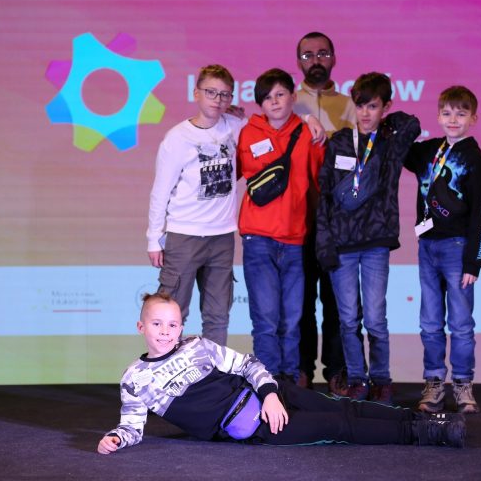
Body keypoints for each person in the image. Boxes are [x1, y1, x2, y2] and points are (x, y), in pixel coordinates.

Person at [97, 292, 466, 453]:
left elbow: (248, 364)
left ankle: (421, 420)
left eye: (173, 324)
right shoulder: (135, 380)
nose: (166, 332)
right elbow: (132, 426)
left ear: (181, 326)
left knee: (343, 407)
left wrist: (271, 394)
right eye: (157, 324)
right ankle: (425, 433)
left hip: (271, 394)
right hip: (254, 424)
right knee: (338, 427)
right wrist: (115, 438)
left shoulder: (197, 345)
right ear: (140, 327)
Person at [147, 65, 324, 346]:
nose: (217, 99)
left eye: (225, 94)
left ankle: (213, 370)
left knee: (217, 316)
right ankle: (168, 368)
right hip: (184, 234)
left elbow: (275, 119)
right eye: (211, 92)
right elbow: (160, 191)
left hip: (222, 237)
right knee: (172, 313)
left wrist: (307, 117)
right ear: (196, 93)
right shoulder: (177, 138)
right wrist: (154, 238)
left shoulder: (237, 127)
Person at [316, 73, 421, 405]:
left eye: (373, 106)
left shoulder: (390, 143)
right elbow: (324, 195)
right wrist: (325, 242)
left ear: (385, 107)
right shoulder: (339, 142)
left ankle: (382, 381)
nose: (364, 113)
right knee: (348, 319)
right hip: (343, 244)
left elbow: (412, 124)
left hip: (376, 242)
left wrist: (386, 123)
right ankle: (357, 379)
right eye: (360, 105)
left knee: (376, 319)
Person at [403, 85, 481, 414]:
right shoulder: (428, 151)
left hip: (458, 249)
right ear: (438, 116)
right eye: (447, 113)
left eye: (461, 114)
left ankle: (463, 384)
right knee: (429, 322)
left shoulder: (476, 160)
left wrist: (474, 262)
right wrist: (405, 124)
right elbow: (400, 149)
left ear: (473, 119)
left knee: (460, 322)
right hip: (427, 246)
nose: (453, 120)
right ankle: (434, 382)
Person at [237, 68, 325, 384]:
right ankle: (268, 383)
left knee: (292, 319)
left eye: (280, 94)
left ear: (293, 96)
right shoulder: (248, 133)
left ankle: (289, 381)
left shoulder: (308, 135)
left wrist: (310, 123)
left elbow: (320, 180)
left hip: (294, 239)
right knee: (265, 320)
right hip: (257, 237)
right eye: (267, 97)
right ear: (259, 103)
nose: (274, 101)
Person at [293, 31, 357, 395]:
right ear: (298, 62)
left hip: (338, 224)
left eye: (322, 54)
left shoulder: (351, 106)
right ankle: (301, 369)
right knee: (300, 303)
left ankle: (337, 372)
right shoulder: (287, 103)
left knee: (337, 304)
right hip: (298, 222)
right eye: (307, 55)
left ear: (333, 58)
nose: (315, 61)